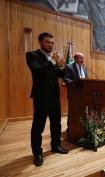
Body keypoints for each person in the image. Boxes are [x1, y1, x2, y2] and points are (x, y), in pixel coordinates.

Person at [26, 32, 69, 167]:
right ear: (40, 42)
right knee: (38, 126)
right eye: (47, 42)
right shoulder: (32, 55)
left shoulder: (53, 59)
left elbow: (61, 74)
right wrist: (52, 61)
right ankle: (37, 153)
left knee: (56, 124)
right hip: (41, 97)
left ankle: (56, 145)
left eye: (52, 43)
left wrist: (62, 66)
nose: (50, 45)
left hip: (54, 97)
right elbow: (37, 71)